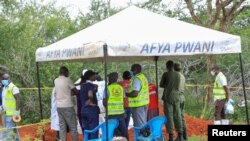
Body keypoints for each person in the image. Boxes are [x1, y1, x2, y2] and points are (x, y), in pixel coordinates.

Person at [160, 60, 183, 141]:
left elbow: (161, 84)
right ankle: (180, 135)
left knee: (169, 116)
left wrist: (167, 84)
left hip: (168, 97)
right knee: (178, 115)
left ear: (167, 66)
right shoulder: (178, 75)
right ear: (173, 66)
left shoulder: (165, 74)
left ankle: (171, 136)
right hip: (177, 97)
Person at [54, 66, 78, 141]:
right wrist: (73, 92)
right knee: (73, 127)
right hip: (67, 106)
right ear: (65, 72)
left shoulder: (56, 80)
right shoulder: (68, 80)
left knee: (62, 127)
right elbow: (76, 91)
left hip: (59, 106)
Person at [103, 72, 129, 140]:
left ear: (111, 78)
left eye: (109, 78)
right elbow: (123, 100)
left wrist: (108, 109)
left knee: (113, 132)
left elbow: (104, 102)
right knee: (124, 132)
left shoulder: (107, 88)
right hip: (121, 113)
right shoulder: (121, 88)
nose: (108, 79)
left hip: (111, 114)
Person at [126, 64, 149, 135]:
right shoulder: (143, 77)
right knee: (143, 122)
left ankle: (143, 137)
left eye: (132, 69)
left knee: (140, 126)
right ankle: (145, 136)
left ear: (136, 70)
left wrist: (126, 94)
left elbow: (135, 93)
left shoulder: (137, 79)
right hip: (144, 103)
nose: (131, 71)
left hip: (138, 105)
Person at [80, 70, 100, 139]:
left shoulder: (82, 85)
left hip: (83, 110)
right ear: (90, 77)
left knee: (87, 131)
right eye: (94, 75)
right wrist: (90, 102)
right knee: (93, 131)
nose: (95, 76)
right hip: (91, 110)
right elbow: (90, 95)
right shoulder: (91, 85)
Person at [1, 73, 20, 141]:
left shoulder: (14, 88)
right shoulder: (5, 88)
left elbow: (18, 99)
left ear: (9, 79)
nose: (3, 81)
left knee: (8, 133)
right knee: (15, 132)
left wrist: (16, 112)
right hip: (6, 113)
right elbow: (5, 100)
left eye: (5, 79)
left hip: (12, 114)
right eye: (3, 79)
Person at [174, 62, 187, 140]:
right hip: (182, 97)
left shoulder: (175, 76)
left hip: (177, 97)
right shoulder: (182, 76)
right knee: (182, 116)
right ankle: (185, 135)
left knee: (177, 117)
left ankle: (180, 136)